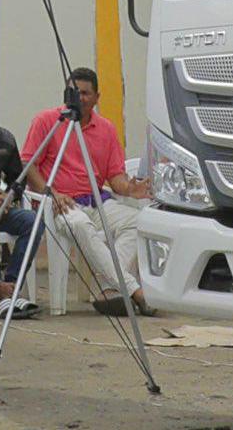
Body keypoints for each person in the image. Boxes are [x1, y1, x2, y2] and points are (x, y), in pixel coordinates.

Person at [23, 66, 149, 315]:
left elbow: (115, 178)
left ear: (96, 98)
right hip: (59, 203)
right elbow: (28, 164)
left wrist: (131, 189)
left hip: (97, 200)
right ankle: (134, 291)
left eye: (84, 93)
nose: (78, 98)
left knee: (139, 222)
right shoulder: (47, 121)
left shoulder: (107, 129)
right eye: (73, 92)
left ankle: (108, 289)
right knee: (80, 225)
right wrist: (51, 193)